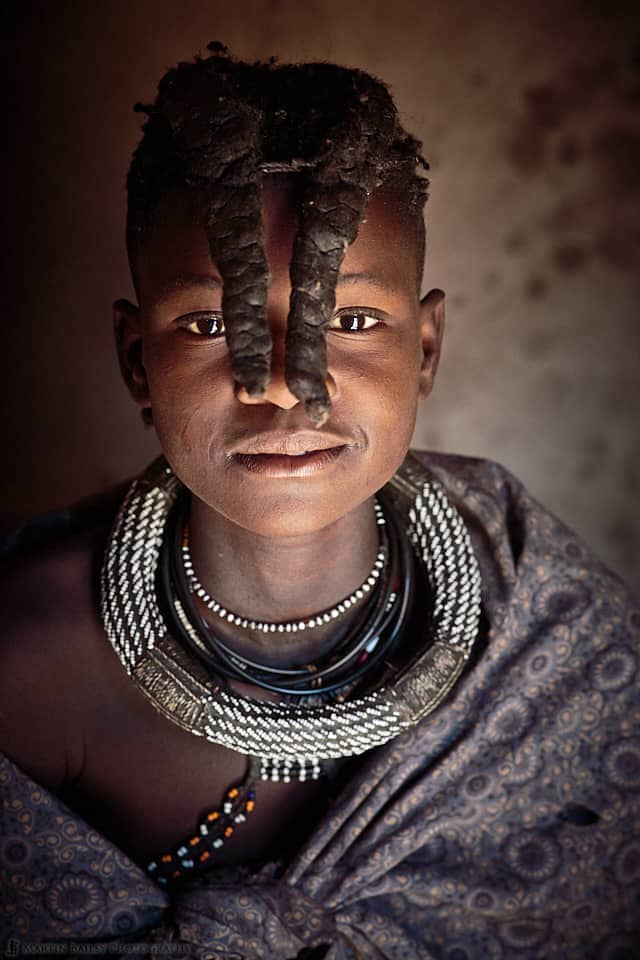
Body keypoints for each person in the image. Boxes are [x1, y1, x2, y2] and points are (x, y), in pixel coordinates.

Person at [0, 43, 638, 960]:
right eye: (215, 324)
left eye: (350, 321)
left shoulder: (537, 614)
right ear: (137, 359)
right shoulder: (24, 670)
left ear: (425, 350)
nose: (287, 389)